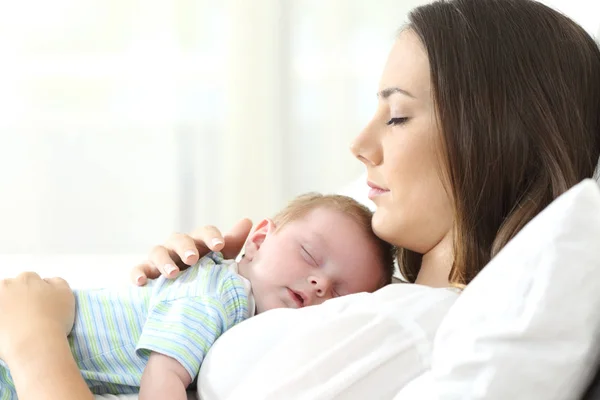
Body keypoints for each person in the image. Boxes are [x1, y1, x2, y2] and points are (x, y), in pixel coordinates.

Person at [1, 0, 599, 398]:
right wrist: (218, 286)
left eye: (396, 115)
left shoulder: (409, 329)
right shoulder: (375, 301)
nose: (361, 145)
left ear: (491, 137)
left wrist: (33, 342)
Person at [0, 194, 394, 400]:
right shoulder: (222, 296)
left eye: (340, 292)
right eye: (309, 254)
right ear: (257, 240)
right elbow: (164, 374)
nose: (319, 285)